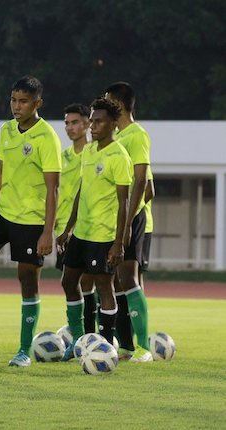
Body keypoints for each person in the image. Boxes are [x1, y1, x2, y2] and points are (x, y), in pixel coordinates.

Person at [0, 75, 61, 367]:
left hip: (32, 221)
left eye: (23, 101)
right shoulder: (6, 130)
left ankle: (24, 350)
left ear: (38, 103)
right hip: (4, 212)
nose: (16, 106)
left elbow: (53, 189)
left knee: (27, 280)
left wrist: (48, 232)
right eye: (13, 100)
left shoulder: (47, 136)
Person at [57, 97, 132, 350]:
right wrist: (68, 229)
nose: (93, 126)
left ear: (112, 124)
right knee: (68, 282)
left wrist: (119, 243)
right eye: (93, 121)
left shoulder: (119, 155)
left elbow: (124, 202)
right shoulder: (88, 151)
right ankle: (79, 339)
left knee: (104, 287)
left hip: (104, 235)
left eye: (99, 121)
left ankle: (105, 344)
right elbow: (82, 191)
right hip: (81, 233)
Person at [105, 81, 153, 362]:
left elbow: (143, 184)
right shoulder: (117, 139)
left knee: (128, 278)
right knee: (117, 282)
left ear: (119, 105)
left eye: (107, 100)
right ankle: (125, 346)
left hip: (133, 219)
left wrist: (126, 223)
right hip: (114, 220)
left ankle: (144, 347)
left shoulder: (137, 135)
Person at [56, 103, 97, 334]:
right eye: (67, 123)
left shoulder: (94, 154)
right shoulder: (62, 157)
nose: (70, 127)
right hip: (63, 231)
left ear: (87, 124)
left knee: (89, 283)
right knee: (72, 284)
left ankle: (93, 335)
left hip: (89, 229)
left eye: (75, 122)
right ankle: (81, 337)